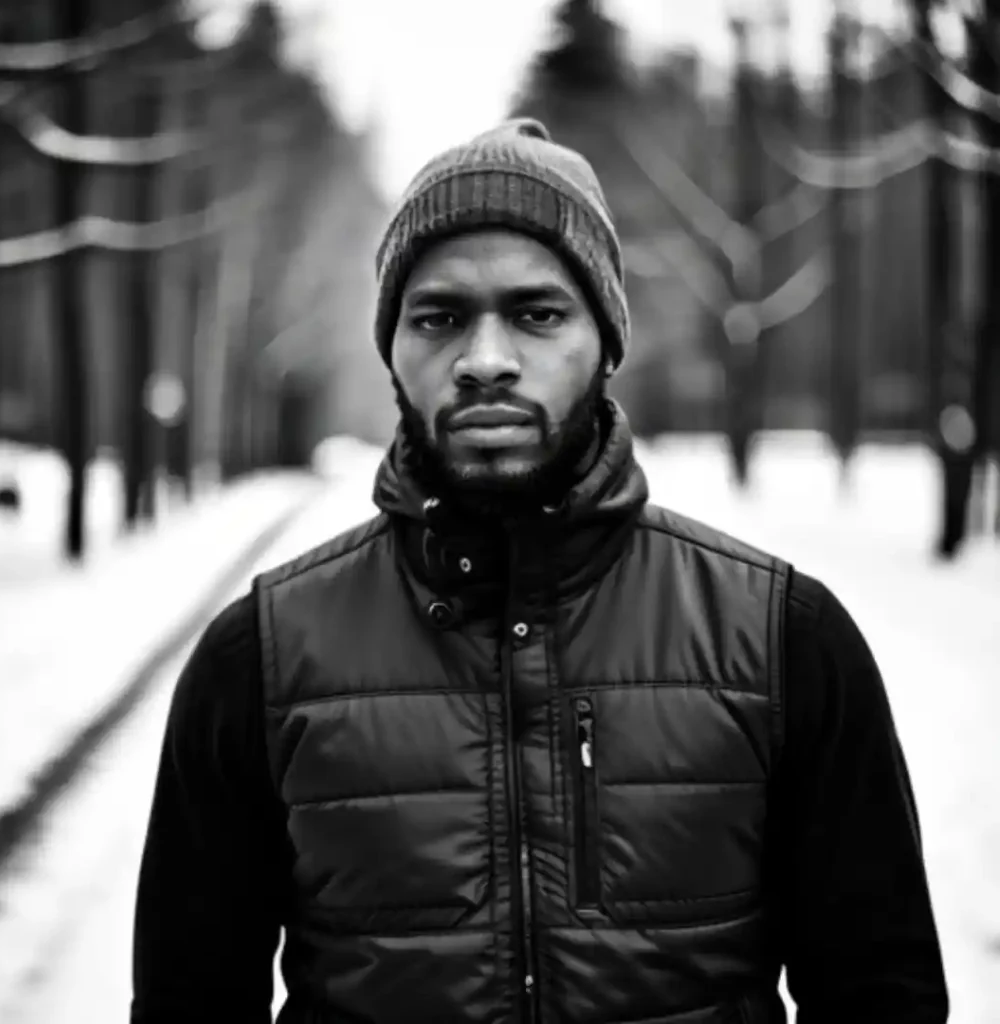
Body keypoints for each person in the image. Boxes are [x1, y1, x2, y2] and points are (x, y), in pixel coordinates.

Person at [131, 119, 949, 1023]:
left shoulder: (782, 637)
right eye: (439, 317)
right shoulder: (261, 657)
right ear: (392, 351)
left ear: (605, 340)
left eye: (538, 313)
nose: (486, 361)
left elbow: (882, 994)